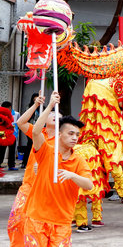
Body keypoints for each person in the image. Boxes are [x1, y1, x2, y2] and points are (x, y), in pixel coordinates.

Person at [23, 92, 93, 246]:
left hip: (62, 221)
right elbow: (35, 132)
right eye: (70, 133)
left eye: (77, 134)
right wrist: (50, 105)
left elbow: (89, 185)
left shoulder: (78, 160)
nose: (75, 137)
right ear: (60, 134)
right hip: (37, 218)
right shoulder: (46, 151)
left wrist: (72, 175)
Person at [8, 93, 60, 246]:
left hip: (46, 188)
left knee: (39, 226)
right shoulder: (39, 133)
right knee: (16, 221)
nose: (55, 116)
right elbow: (20, 122)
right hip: (29, 184)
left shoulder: (61, 140)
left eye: (58, 115)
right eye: (51, 114)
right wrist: (37, 105)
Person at [20, 93, 40, 168]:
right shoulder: (29, 107)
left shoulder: (42, 108)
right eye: (34, 100)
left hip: (39, 129)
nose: (36, 101)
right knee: (30, 144)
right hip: (30, 127)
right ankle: (25, 162)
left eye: (37, 99)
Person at [0, 101, 19, 170]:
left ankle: (11, 165)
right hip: (3, 135)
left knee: (12, 150)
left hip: (12, 135)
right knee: (1, 150)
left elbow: (18, 123)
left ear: (10, 108)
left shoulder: (16, 114)